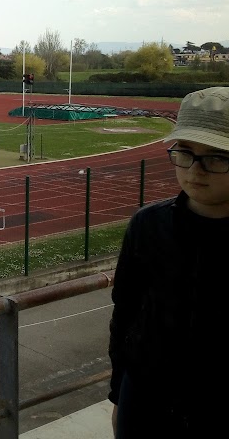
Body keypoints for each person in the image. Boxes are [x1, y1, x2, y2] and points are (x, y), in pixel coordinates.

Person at [108, 86, 229, 437]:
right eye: (185, 152)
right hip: (146, 398)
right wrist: (119, 395)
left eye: (217, 157)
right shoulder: (147, 225)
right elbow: (125, 311)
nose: (196, 170)